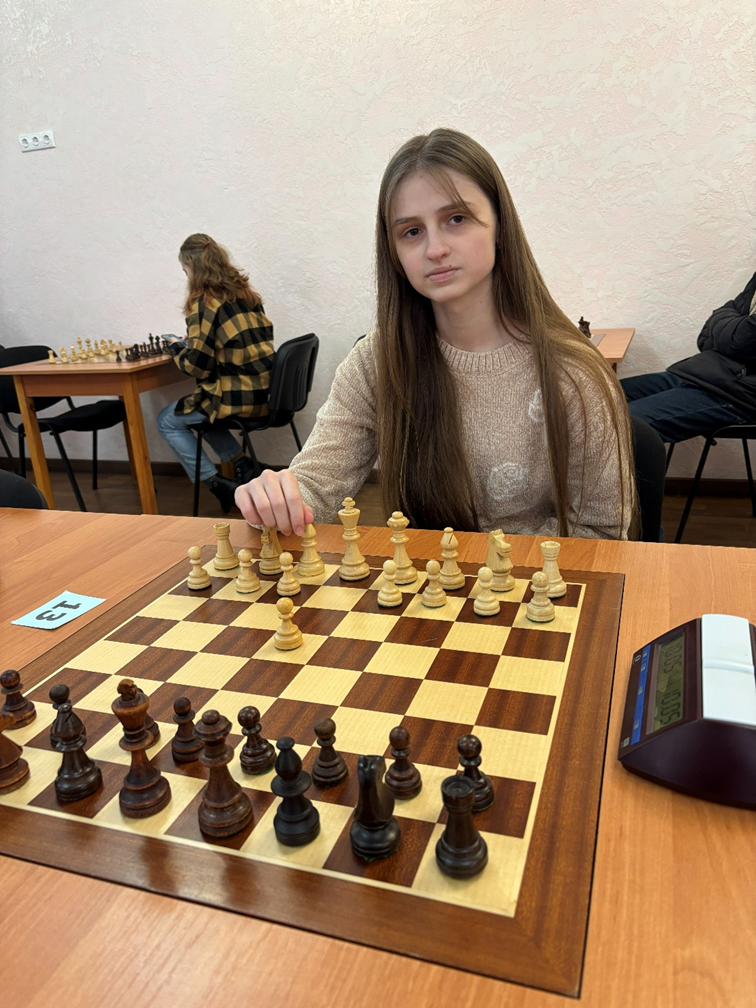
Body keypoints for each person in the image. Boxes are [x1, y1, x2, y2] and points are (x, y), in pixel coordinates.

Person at [235, 129, 636, 539]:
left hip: (536, 579)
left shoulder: (574, 372)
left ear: (499, 225)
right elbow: (315, 487)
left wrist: (487, 565)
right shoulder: (376, 363)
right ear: (394, 252)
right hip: (424, 580)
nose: (435, 249)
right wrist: (276, 499)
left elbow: (602, 531)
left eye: (456, 219)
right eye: (411, 231)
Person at [158, 234, 275, 511]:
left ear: (193, 268)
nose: (186, 276)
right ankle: (245, 466)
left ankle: (216, 484)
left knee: (166, 420)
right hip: (263, 392)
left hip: (236, 396)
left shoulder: (205, 302)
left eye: (185, 270)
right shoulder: (246, 295)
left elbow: (197, 366)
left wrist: (176, 348)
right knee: (204, 414)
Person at [621, 271, 756, 443]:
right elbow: (706, 337)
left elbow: (740, 340)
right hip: (710, 375)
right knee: (596, 397)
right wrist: (731, 329)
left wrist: (727, 323)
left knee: (615, 425)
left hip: (741, 395)